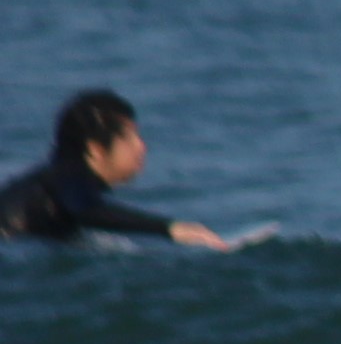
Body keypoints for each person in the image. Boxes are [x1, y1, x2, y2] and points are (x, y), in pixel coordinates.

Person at [2, 93, 265, 249]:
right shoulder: (69, 176)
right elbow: (83, 210)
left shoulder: (51, 178)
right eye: (131, 139)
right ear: (95, 149)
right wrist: (171, 229)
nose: (142, 148)